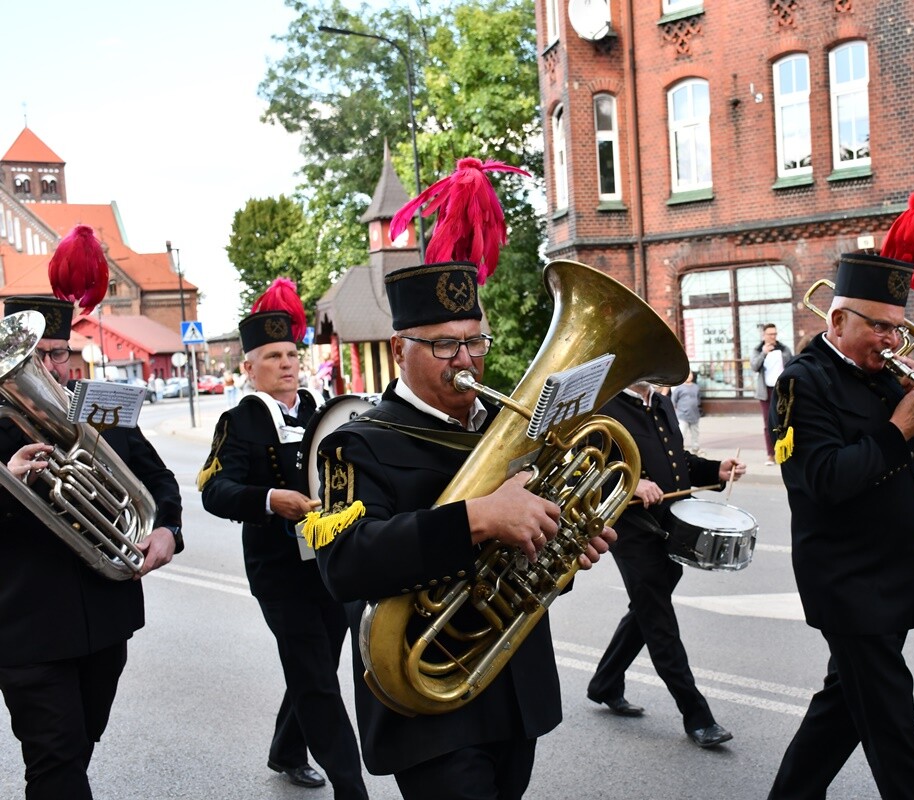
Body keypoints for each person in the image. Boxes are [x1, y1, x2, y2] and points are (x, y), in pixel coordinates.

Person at [302, 157, 615, 800]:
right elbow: (344, 565)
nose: (465, 360)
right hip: (428, 703)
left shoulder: (509, 428)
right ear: (400, 350)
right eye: (444, 345)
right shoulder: (355, 443)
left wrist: (561, 543)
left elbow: (525, 549)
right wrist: (477, 519)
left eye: (474, 341)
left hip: (511, 685)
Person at [767, 193, 914, 800]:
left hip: (896, 575)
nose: (888, 340)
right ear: (837, 320)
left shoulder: (887, 377)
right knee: (894, 730)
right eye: (876, 326)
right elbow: (820, 479)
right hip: (849, 582)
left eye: (896, 328)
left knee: (844, 708)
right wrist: (898, 428)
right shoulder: (804, 381)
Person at [0, 292, 183, 799]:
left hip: (106, 619)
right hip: (26, 631)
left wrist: (167, 529)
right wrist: (9, 482)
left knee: (76, 748)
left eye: (58, 353)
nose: (50, 367)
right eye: (35, 356)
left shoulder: (101, 407)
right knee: (56, 762)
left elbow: (158, 480)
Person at [198, 278, 368, 799]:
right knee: (316, 675)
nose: (287, 363)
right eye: (272, 356)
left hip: (332, 563)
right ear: (249, 367)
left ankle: (287, 750)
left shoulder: (326, 409)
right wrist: (273, 500)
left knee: (315, 663)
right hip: (279, 572)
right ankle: (350, 786)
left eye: (292, 353)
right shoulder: (240, 420)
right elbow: (215, 490)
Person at [586, 380, 745, 747]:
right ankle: (698, 716)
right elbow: (583, 469)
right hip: (632, 530)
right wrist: (631, 483)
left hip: (670, 525)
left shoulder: (660, 403)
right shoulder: (604, 408)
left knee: (646, 609)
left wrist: (715, 470)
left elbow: (678, 461)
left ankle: (605, 682)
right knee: (659, 621)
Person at [750, 323, 792, 465]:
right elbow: (754, 366)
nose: (773, 337)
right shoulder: (757, 350)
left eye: (775, 334)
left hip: (781, 390)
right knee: (769, 423)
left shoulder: (784, 349)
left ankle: (785, 452)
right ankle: (771, 454)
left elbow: (791, 366)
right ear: (764, 335)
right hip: (766, 392)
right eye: (770, 334)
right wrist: (764, 353)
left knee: (784, 421)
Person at [671, 371, 702, 453]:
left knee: (695, 433)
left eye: (690, 374)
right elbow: (673, 400)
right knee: (681, 433)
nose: (689, 376)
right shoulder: (679, 388)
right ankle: (679, 448)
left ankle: (695, 448)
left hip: (694, 414)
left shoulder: (696, 387)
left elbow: (698, 399)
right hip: (682, 415)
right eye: (687, 374)